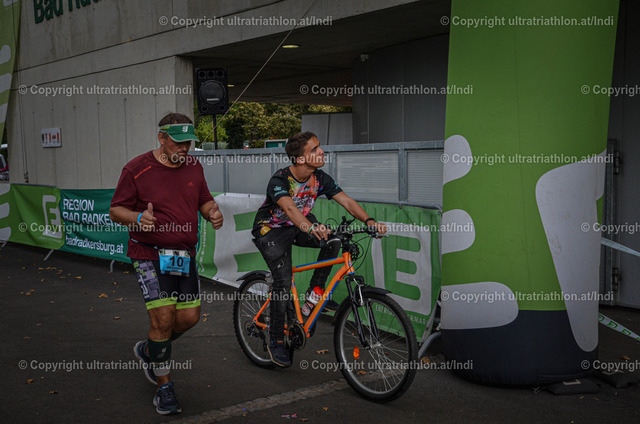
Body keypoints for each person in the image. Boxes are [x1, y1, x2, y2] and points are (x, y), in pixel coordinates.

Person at [109, 112, 223, 415]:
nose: (184, 149)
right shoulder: (136, 169)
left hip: (182, 255)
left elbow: (204, 200)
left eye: (188, 143)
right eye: (178, 142)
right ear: (162, 138)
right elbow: (116, 210)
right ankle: (164, 388)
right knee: (162, 319)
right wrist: (137, 217)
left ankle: (150, 350)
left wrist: (212, 212)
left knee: (188, 318)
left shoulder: (193, 166)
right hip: (149, 253)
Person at [252, 131, 387, 367]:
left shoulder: (320, 178)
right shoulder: (280, 181)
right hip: (271, 230)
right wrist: (311, 227)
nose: (322, 152)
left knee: (333, 239)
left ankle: (314, 295)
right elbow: (290, 210)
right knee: (283, 280)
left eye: (320, 147)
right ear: (300, 158)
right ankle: (276, 340)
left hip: (299, 225)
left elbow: (346, 201)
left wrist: (369, 221)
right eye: (314, 149)